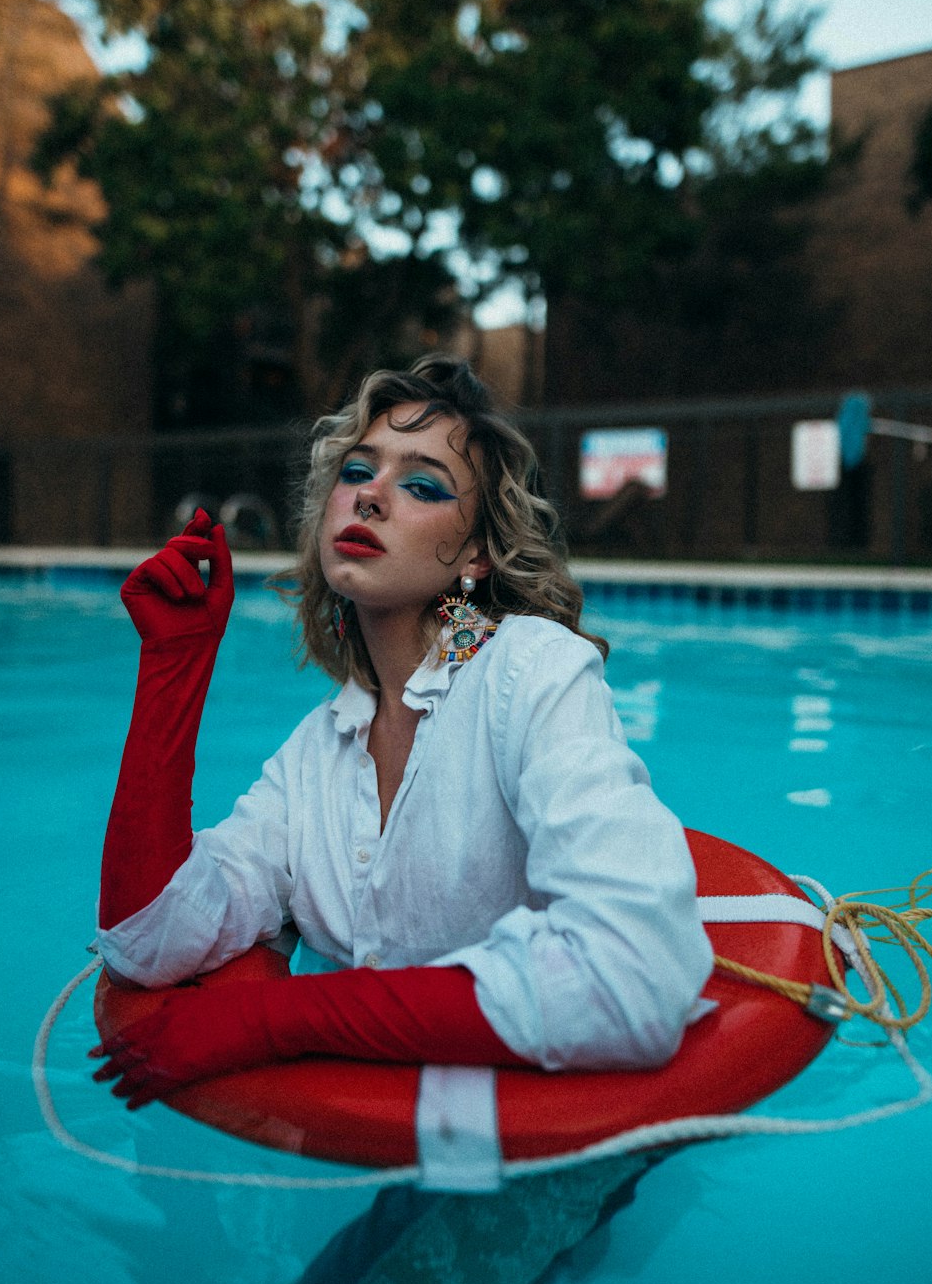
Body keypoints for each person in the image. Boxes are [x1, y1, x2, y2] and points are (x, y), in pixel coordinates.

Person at [90, 357, 712, 1108]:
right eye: (357, 470)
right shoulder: (317, 750)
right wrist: (173, 667)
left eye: (422, 485)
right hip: (382, 1147)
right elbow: (147, 942)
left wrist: (274, 1017)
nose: (372, 495)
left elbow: (633, 975)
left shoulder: (531, 668)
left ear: (475, 553)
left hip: (546, 1149)